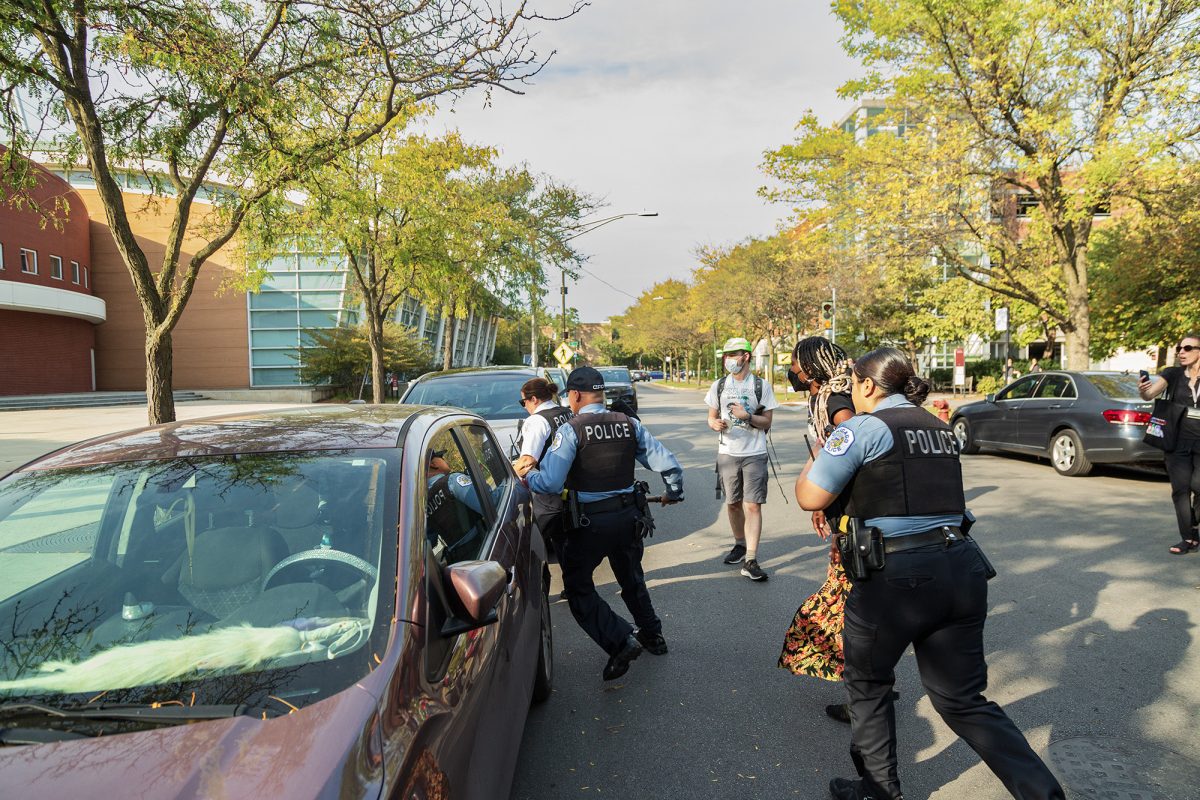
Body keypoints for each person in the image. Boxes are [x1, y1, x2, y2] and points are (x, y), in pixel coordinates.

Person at [795, 347, 1064, 800]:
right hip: (960, 568)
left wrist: (819, 450)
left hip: (895, 577)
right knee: (962, 700)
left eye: (853, 385)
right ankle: (1042, 794)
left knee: (868, 683)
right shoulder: (938, 428)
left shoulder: (862, 428)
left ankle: (879, 790)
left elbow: (810, 496)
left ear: (866, 385)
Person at [526, 366, 684, 680]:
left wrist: (528, 473)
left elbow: (551, 482)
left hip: (589, 524)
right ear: (601, 393)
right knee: (631, 577)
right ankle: (653, 635)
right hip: (628, 518)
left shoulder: (572, 429)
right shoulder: (628, 424)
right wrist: (674, 490)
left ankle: (620, 641)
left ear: (574, 395)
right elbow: (665, 460)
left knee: (578, 587)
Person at [778, 337, 858, 722]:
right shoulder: (828, 393)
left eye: (795, 363)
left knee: (848, 608)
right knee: (853, 605)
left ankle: (865, 695)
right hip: (847, 515)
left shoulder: (835, 398)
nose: (792, 371)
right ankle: (871, 687)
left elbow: (848, 440)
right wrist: (822, 498)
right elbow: (826, 450)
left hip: (856, 520)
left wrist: (828, 494)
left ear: (809, 368)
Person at [705, 336, 779, 581]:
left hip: (754, 454)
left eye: (733, 354)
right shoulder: (719, 386)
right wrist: (714, 424)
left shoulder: (761, 386)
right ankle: (739, 544)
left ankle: (751, 558)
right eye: (726, 355)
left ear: (746, 356)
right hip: (727, 453)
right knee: (733, 503)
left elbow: (766, 422)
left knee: (752, 504)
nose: (728, 360)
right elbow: (711, 416)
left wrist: (747, 416)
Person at [1139, 334, 1200, 555]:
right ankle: (1189, 537)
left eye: (1188, 347)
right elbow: (1149, 395)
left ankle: (1193, 527)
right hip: (1177, 441)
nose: (1181, 351)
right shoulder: (1172, 374)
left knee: (1198, 486)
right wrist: (1143, 389)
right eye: (1178, 348)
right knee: (1180, 491)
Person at [513, 378, 574, 593]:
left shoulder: (537, 421)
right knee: (562, 540)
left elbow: (528, 460)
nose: (525, 407)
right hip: (570, 488)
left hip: (546, 494)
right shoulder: (565, 413)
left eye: (524, 402)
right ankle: (574, 587)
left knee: (528, 545)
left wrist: (509, 477)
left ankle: (535, 593)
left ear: (534, 399)